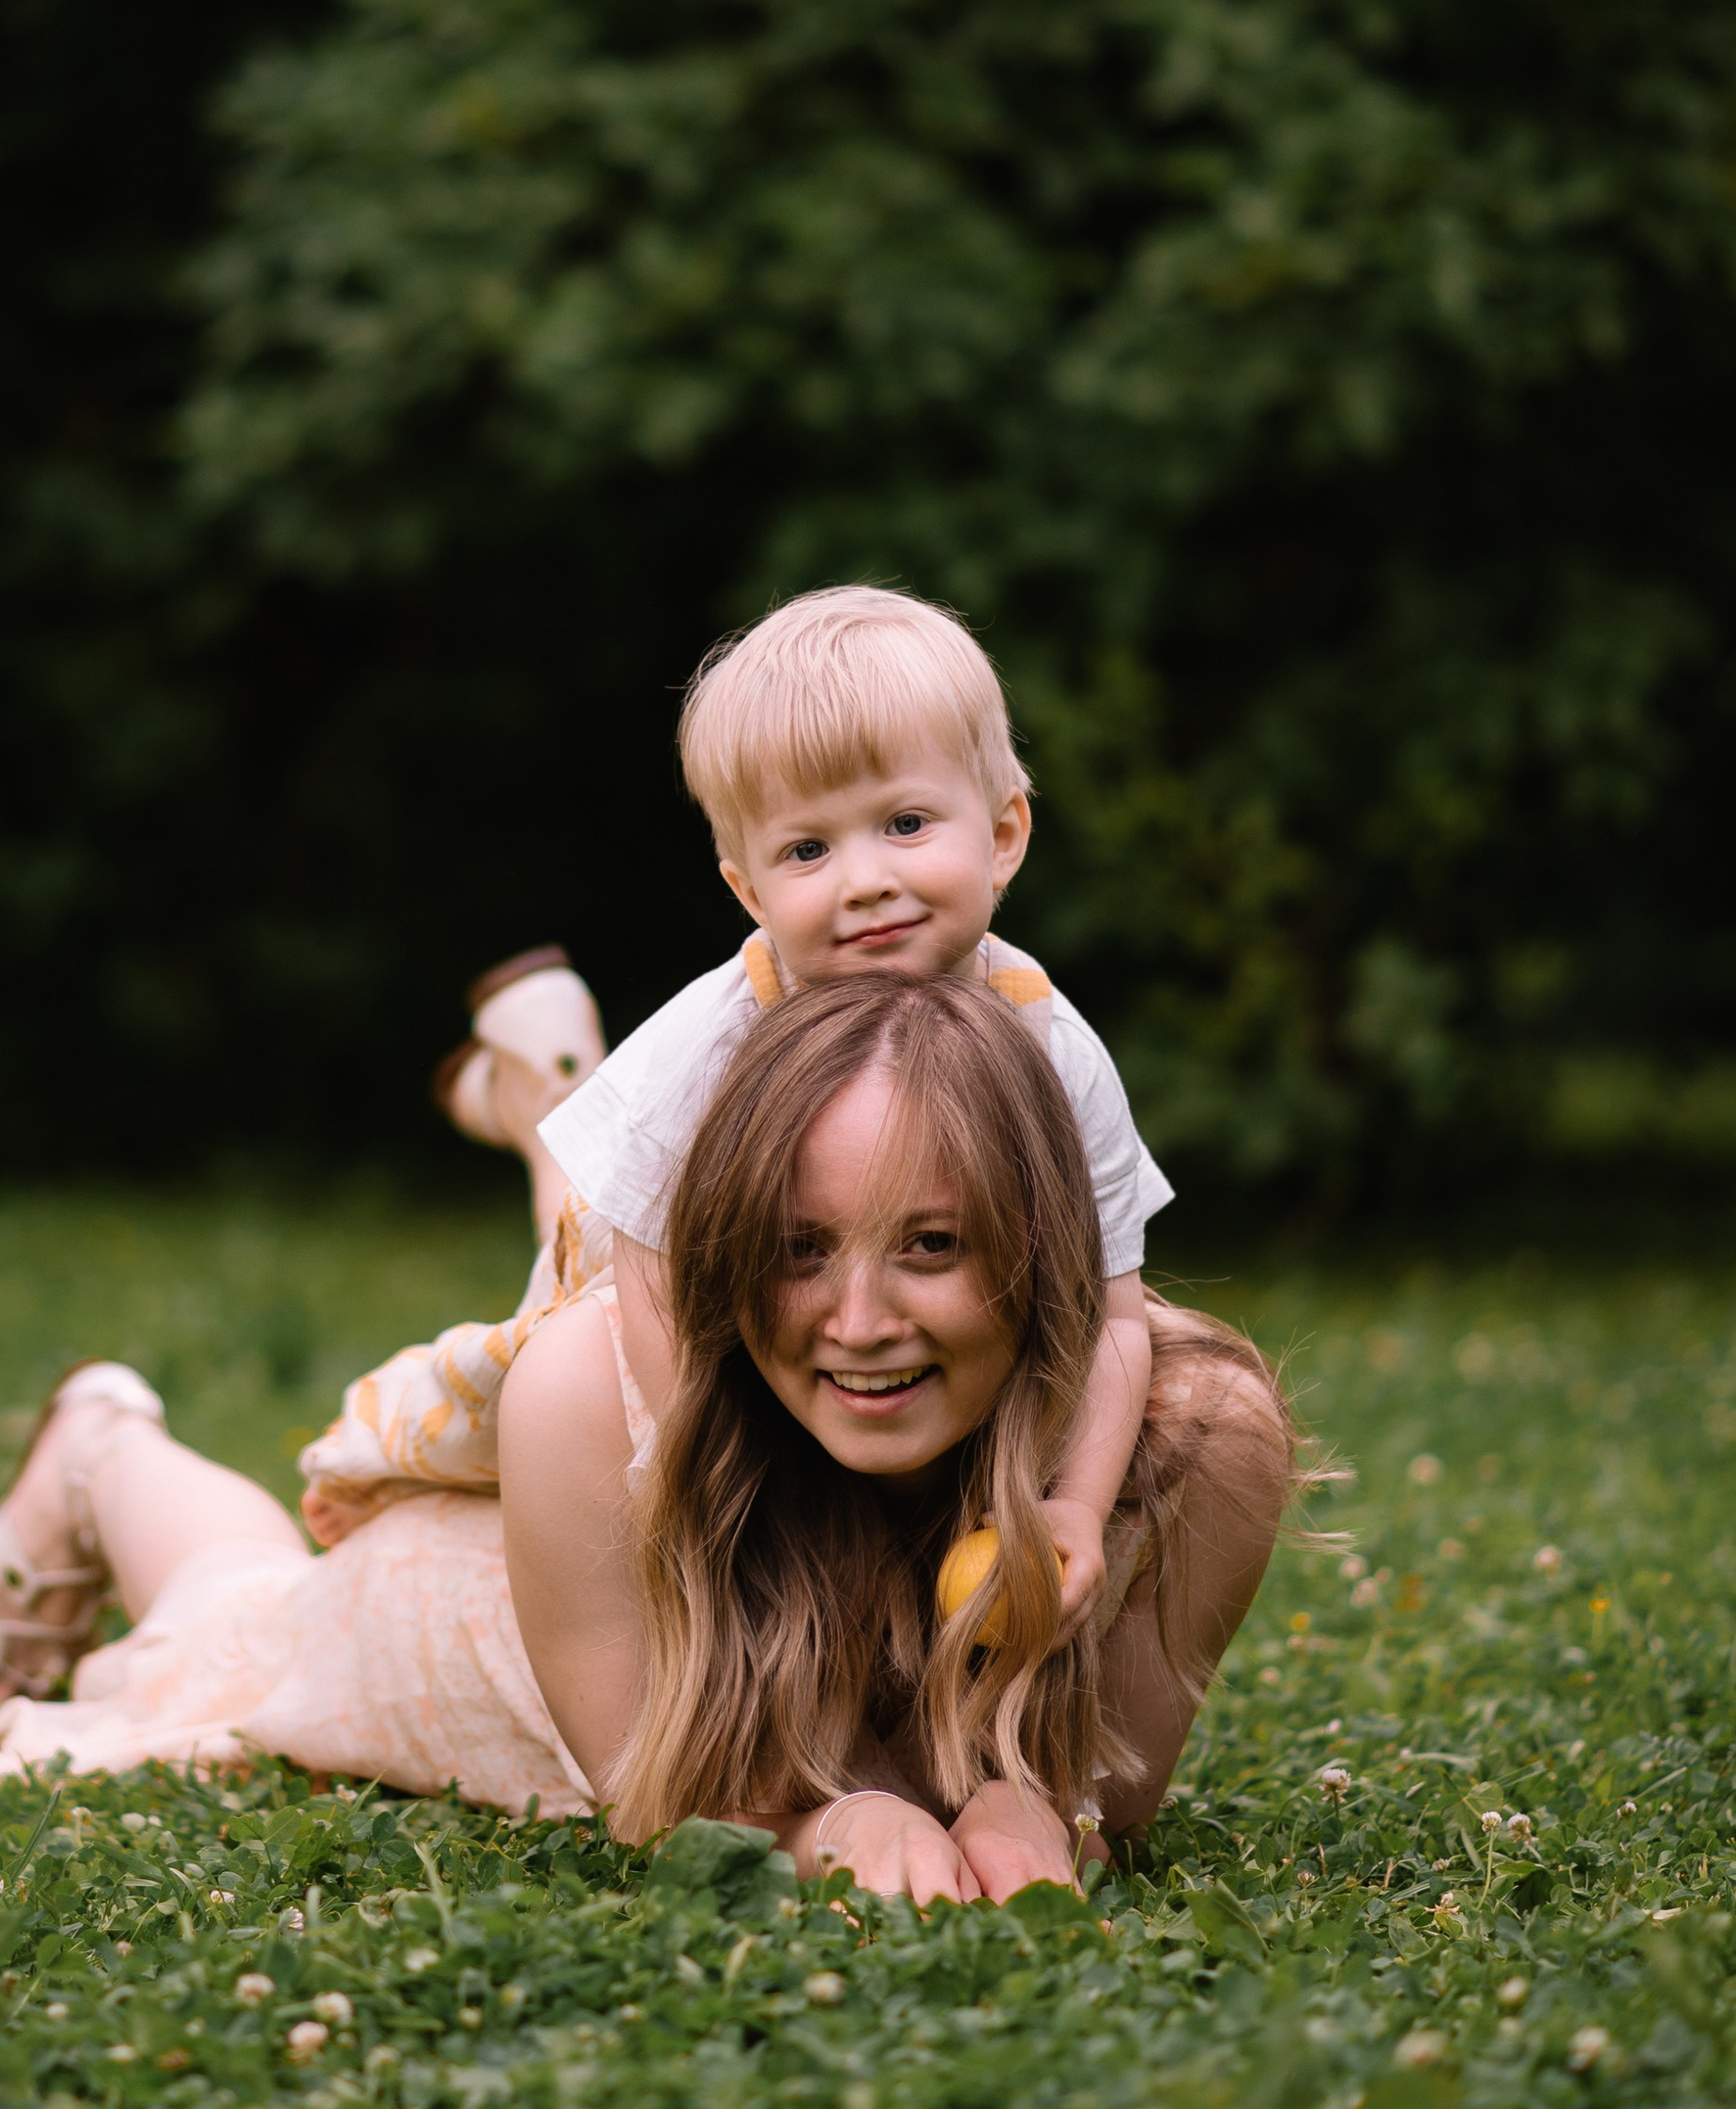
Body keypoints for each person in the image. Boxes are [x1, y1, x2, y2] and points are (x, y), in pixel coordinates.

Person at [0, 977, 1290, 1900]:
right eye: (797, 1249)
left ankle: (548, 1083)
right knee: (239, 1614)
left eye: (933, 1246)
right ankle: (102, 1445)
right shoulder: (598, 1393)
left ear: (1044, 1252)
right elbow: (660, 1803)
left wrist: (1035, 1805)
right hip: (484, 1611)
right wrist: (824, 1829)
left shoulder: (1180, 1439)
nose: (863, 1322)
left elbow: (1097, 1788)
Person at [278, 585, 1169, 1635]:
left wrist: (1073, 1501)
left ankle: (543, 1082)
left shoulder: (1051, 1046)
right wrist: (724, 1483)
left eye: (906, 821)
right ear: (747, 892)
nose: (866, 880)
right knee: (560, 1302)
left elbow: (1114, 1314)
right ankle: (546, 1095)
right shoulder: (711, 1044)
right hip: (641, 1280)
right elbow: (650, 1299)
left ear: (1005, 831)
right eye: (808, 850)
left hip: (800, 1307)